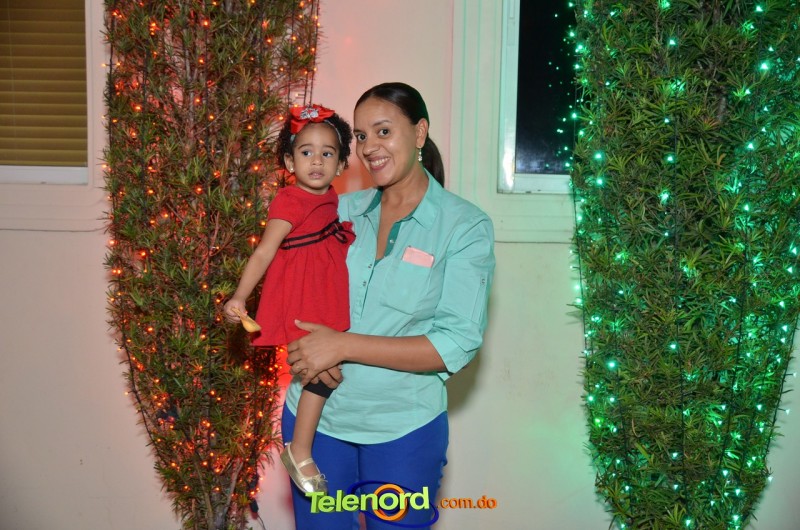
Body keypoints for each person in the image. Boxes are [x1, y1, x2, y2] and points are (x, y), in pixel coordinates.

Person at [282, 82, 495, 529]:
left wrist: (342, 345)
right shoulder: (335, 211)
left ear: (419, 132)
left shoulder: (464, 226)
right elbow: (291, 285)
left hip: (403, 433)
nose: (368, 148)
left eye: (383, 131)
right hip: (317, 428)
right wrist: (300, 344)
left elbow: (454, 343)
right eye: (361, 136)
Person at [223, 104, 355, 495]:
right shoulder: (289, 201)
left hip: (324, 292)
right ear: (288, 161)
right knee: (320, 372)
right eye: (306, 152)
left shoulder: (330, 197)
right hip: (303, 296)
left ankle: (302, 447)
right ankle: (300, 450)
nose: (317, 161)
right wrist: (240, 296)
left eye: (327, 153)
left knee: (329, 369)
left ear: (341, 164)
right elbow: (264, 251)